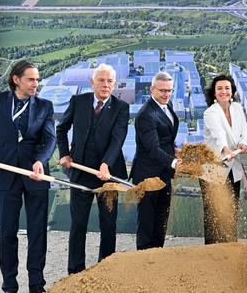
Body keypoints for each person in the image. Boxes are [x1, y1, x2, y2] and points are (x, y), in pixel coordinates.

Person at [0, 60, 56, 293]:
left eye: (37, 79)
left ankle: (36, 284)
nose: (36, 84)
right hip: (6, 175)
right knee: (7, 232)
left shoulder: (44, 106)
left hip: (35, 175)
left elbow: (50, 140)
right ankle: (9, 287)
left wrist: (40, 161)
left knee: (37, 231)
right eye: (31, 79)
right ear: (16, 80)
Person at [56, 64, 129, 274]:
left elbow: (118, 139)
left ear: (114, 84)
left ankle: (105, 269)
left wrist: (106, 164)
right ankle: (75, 271)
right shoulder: (78, 101)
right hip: (80, 173)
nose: (105, 85)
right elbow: (61, 129)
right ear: (92, 83)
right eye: (101, 80)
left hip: (108, 175)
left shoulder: (121, 107)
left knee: (108, 224)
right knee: (78, 224)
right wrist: (64, 154)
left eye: (109, 81)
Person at [130, 71, 179, 250]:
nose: (166, 94)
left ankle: (157, 256)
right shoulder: (146, 114)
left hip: (164, 173)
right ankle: (144, 259)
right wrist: (174, 163)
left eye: (170, 90)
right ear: (152, 89)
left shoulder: (167, 105)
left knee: (161, 220)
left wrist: (175, 151)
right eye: (162, 90)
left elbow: (165, 138)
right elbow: (153, 149)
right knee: (147, 223)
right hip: (147, 176)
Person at [202, 74, 247, 244]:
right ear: (214, 93)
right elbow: (218, 134)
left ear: (232, 91)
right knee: (213, 214)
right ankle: (212, 250)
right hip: (214, 168)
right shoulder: (210, 112)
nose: (224, 92)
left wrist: (243, 143)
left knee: (231, 210)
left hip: (233, 168)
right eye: (219, 88)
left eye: (227, 88)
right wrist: (225, 148)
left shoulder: (237, 108)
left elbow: (245, 132)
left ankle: (230, 247)